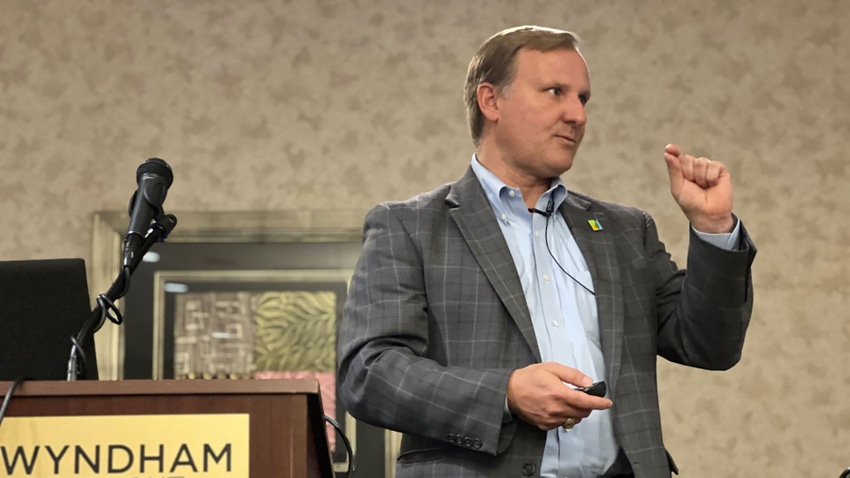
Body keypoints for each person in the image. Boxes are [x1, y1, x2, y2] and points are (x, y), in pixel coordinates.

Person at [337, 25, 756, 478]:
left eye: (583, 98)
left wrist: (713, 227)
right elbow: (369, 374)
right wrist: (505, 393)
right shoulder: (411, 226)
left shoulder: (624, 230)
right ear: (491, 101)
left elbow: (710, 346)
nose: (577, 115)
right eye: (556, 92)